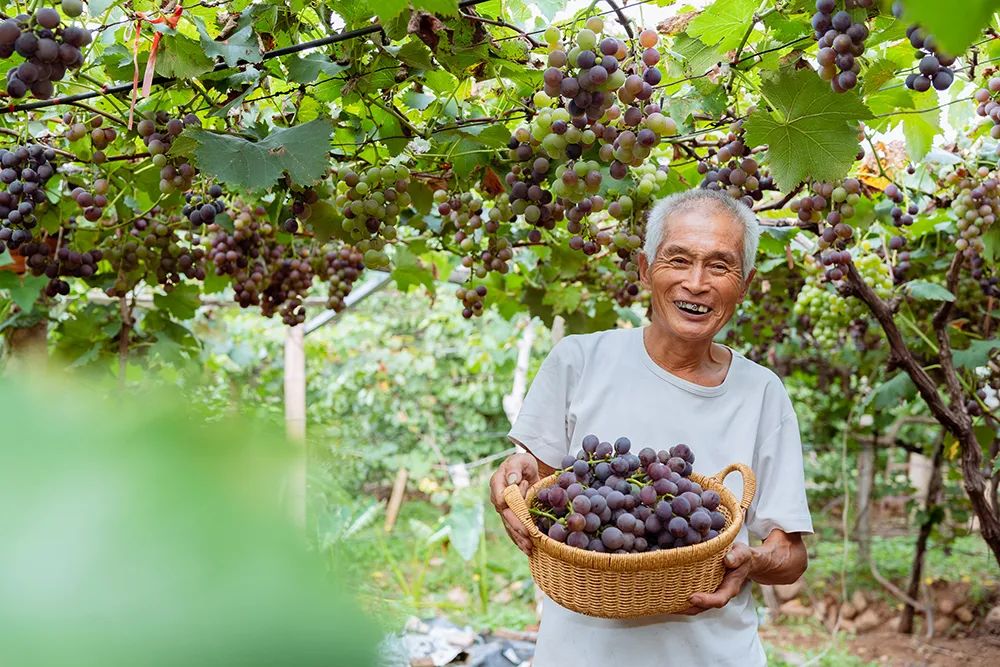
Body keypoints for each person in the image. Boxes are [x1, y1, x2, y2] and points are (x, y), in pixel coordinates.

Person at [489, 189, 812, 667]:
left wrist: (753, 562)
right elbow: (540, 494)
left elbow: (790, 555)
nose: (696, 282)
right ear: (644, 269)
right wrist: (511, 478)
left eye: (719, 266)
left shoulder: (762, 393)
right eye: (678, 259)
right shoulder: (579, 361)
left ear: (744, 285)